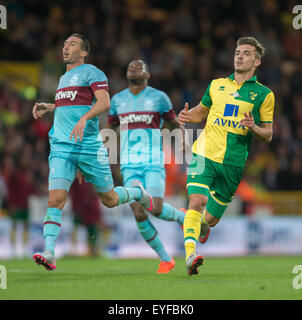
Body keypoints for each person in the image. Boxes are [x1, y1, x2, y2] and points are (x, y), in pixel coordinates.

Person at [31, 34, 153, 271]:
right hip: (62, 146)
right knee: (55, 199)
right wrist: (50, 107)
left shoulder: (92, 73)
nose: (66, 47)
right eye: (65, 44)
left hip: (89, 146)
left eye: (72, 44)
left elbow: (104, 103)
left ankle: (137, 192)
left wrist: (85, 118)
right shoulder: (63, 78)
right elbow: (71, 106)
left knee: (110, 200)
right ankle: (49, 251)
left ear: (84, 52)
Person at [178, 37, 275, 276]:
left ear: (257, 61)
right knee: (196, 201)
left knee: (210, 219)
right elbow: (201, 112)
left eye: (246, 53)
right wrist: (186, 115)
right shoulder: (216, 85)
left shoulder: (264, 94)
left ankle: (202, 227)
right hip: (204, 153)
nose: (239, 57)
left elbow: (268, 134)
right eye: (237, 53)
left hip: (233, 163)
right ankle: (190, 255)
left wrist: (254, 128)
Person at [106, 60, 186, 273]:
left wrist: (183, 140)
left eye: (138, 67)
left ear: (147, 74)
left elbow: (174, 124)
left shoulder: (159, 98)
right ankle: (165, 259)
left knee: (156, 209)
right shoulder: (117, 100)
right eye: (130, 67)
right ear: (126, 73)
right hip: (129, 163)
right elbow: (111, 128)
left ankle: (183, 218)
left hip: (153, 160)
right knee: (139, 212)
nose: (133, 69)